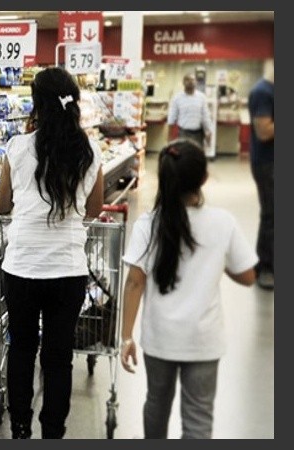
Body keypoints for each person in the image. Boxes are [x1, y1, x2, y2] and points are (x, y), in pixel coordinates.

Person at [0, 67, 104, 439]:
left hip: (22, 265)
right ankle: (53, 431)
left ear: (36, 103)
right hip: (68, 269)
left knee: (22, 348)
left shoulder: (18, 146)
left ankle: (20, 427)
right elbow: (94, 209)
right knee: (58, 357)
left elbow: (2, 204)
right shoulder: (89, 150)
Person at [120, 140, 257, 439]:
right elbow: (248, 276)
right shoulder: (223, 223)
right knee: (198, 417)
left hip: (160, 338)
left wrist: (126, 336)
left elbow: (135, 281)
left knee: (156, 403)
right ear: (204, 179)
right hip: (203, 340)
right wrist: (217, 261)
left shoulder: (149, 224)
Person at [248, 60, 274, 290]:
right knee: (271, 214)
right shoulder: (262, 92)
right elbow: (264, 131)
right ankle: (265, 267)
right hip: (267, 164)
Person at [167, 74, 213, 149]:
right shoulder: (177, 98)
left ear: (196, 82)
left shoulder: (202, 97)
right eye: (188, 80)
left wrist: (209, 131)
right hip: (183, 133)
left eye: (193, 80)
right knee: (184, 157)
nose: (191, 82)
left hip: (198, 134)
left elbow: (206, 116)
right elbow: (171, 118)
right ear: (183, 82)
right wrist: (169, 137)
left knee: (198, 157)